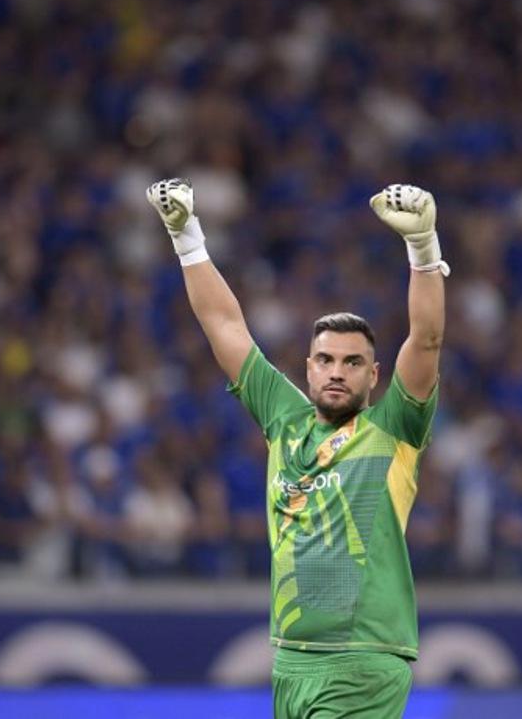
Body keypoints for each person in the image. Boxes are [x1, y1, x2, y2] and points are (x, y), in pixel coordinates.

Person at [146, 178, 448, 719]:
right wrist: (186, 236)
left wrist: (423, 249)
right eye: (326, 359)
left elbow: (425, 339)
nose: (337, 372)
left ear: (374, 376)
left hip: (363, 660)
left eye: (352, 362)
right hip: (291, 661)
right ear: (308, 367)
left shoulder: (393, 430)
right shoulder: (284, 420)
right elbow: (224, 324)